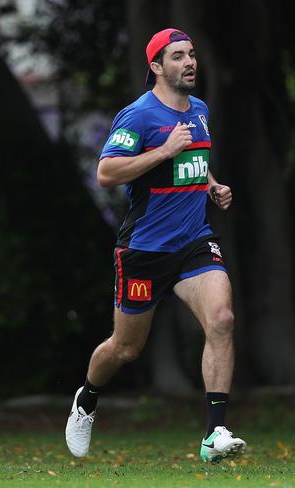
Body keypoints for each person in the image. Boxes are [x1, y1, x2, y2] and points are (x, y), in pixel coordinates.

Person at [65, 28, 246, 464]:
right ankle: (87, 399)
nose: (189, 62)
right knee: (126, 348)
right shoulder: (138, 116)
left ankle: (214, 432)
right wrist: (163, 150)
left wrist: (213, 186)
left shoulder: (199, 110)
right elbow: (107, 172)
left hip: (194, 241)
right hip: (145, 250)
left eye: (191, 54)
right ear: (156, 67)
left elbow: (193, 165)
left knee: (221, 319)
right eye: (178, 56)